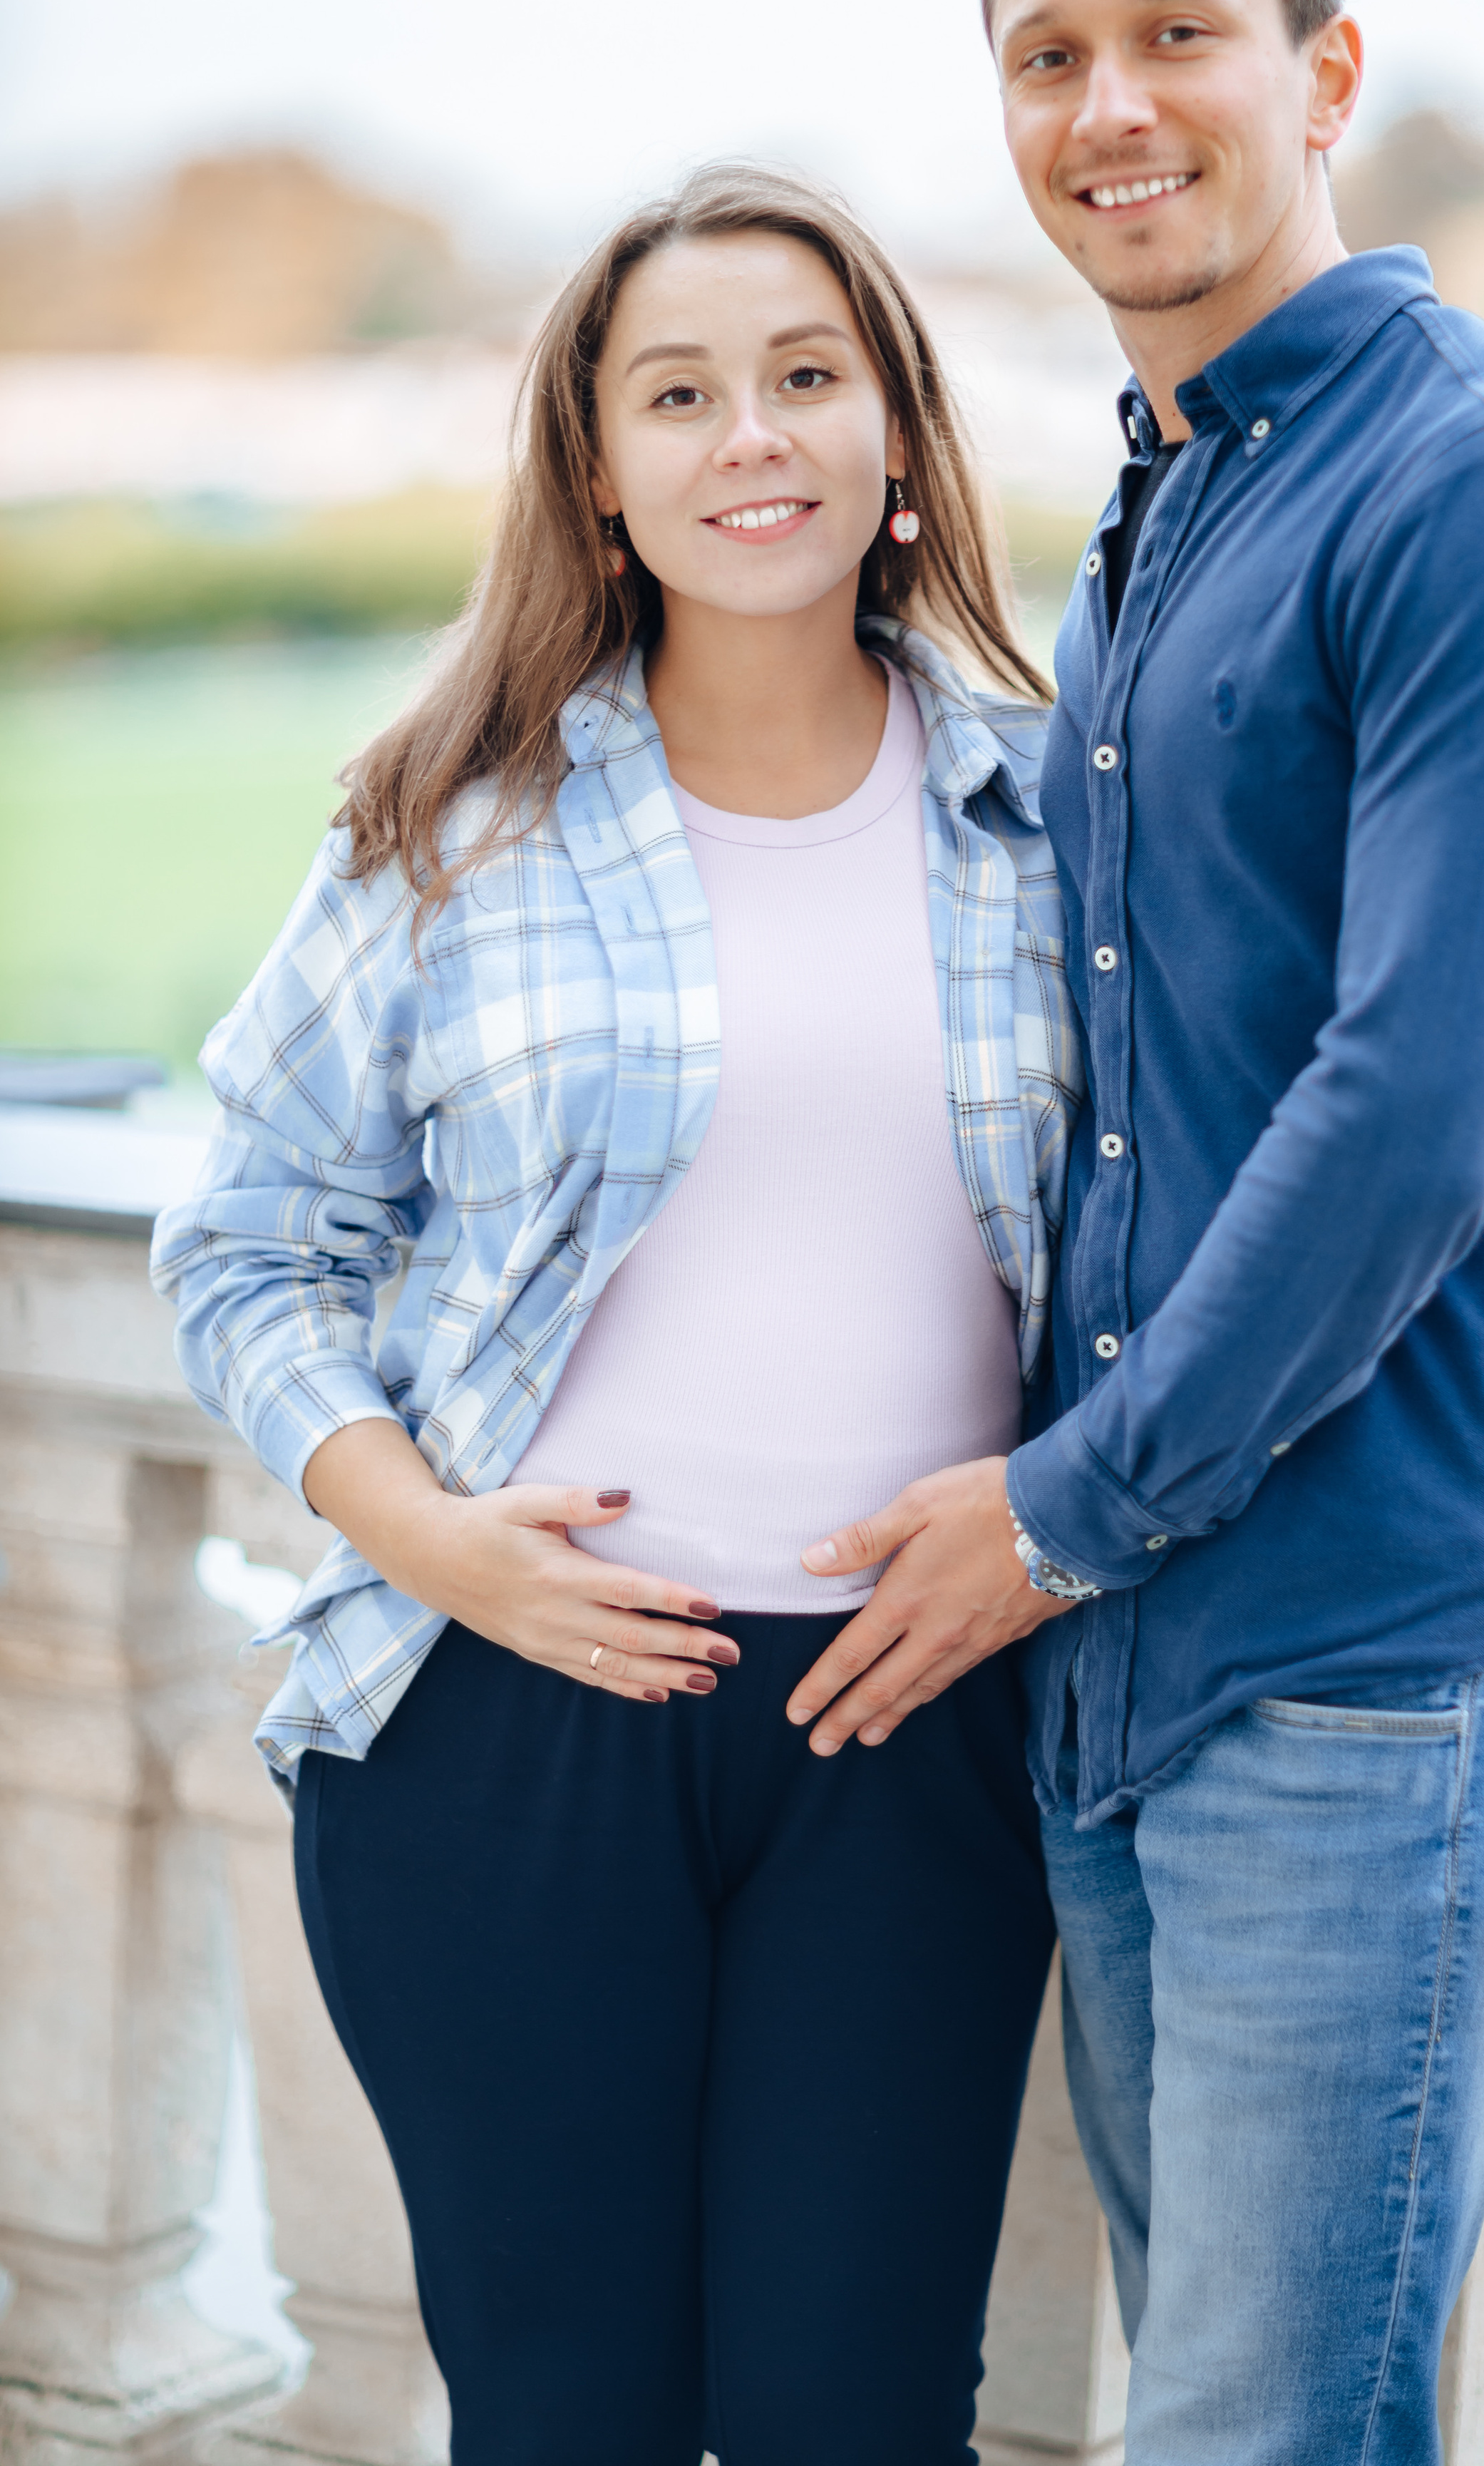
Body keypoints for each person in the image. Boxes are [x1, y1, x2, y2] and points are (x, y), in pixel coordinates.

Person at [781, 0, 1484, 2466]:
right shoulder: (1168, 505)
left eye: (1176, 34)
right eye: (1046, 56)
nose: (1110, 108)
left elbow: (1417, 1095)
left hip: (1372, 1649)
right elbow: (1152, 1066)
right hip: (1133, 1648)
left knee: (1256, 2439)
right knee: (1209, 2405)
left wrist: (1058, 1503)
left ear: (1327, 73)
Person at [150, 165, 1075, 2466]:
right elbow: (246, 1237)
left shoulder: (1055, 813)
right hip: (505, 1724)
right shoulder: (452, 821)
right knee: (566, 2412)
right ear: (597, 466)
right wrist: (432, 1539)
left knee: (856, 2414)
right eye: (679, 393)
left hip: (909, 1719)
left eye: (803, 376)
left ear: (893, 434)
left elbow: (1281, 1150)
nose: (747, 435)